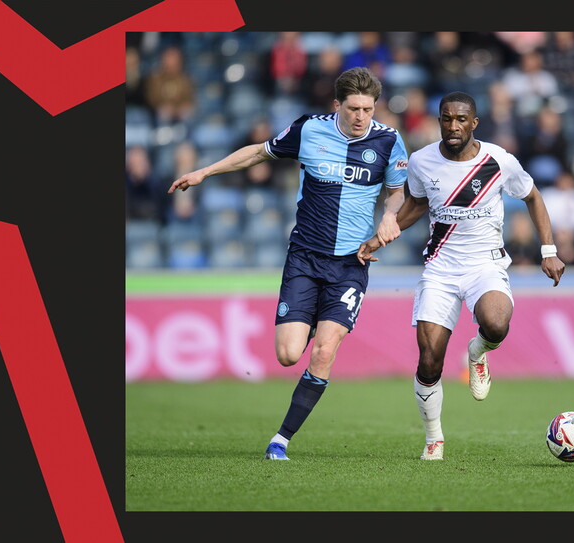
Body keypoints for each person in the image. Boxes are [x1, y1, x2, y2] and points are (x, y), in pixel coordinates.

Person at [168, 67, 408, 460]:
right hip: (305, 258)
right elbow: (258, 152)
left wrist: (389, 215)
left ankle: (280, 439)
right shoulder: (310, 129)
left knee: (324, 353)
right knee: (288, 355)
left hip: (351, 264)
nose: (361, 116)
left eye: (367, 108)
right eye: (353, 108)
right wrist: (204, 172)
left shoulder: (389, 141)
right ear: (337, 105)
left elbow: (397, 191)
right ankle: (312, 316)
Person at [357, 91, 565, 460]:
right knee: (429, 359)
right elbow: (417, 205)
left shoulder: (498, 160)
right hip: (440, 269)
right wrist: (379, 238)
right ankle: (434, 438)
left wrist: (548, 251)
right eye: (446, 119)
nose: (453, 126)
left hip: (485, 264)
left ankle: (477, 352)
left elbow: (532, 196)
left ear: (474, 123)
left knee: (497, 324)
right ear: (439, 120)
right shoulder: (421, 162)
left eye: (460, 120)